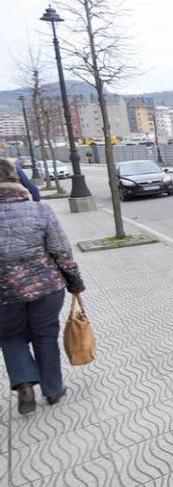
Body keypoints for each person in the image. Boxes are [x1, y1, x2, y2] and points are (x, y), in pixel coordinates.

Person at [0, 158, 84, 414]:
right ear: (16, 180)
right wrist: (75, 283)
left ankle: (24, 382)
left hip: (4, 294)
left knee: (10, 337)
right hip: (46, 288)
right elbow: (61, 251)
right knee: (45, 336)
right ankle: (53, 390)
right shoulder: (40, 210)